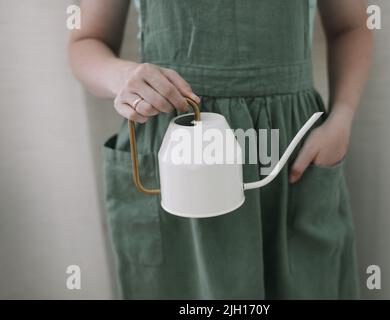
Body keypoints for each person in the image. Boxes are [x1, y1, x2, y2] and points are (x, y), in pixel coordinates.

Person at [68, 0, 373, 299]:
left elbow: (350, 26)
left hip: (289, 154)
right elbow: (86, 40)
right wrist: (121, 78)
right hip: (176, 160)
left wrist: (342, 117)